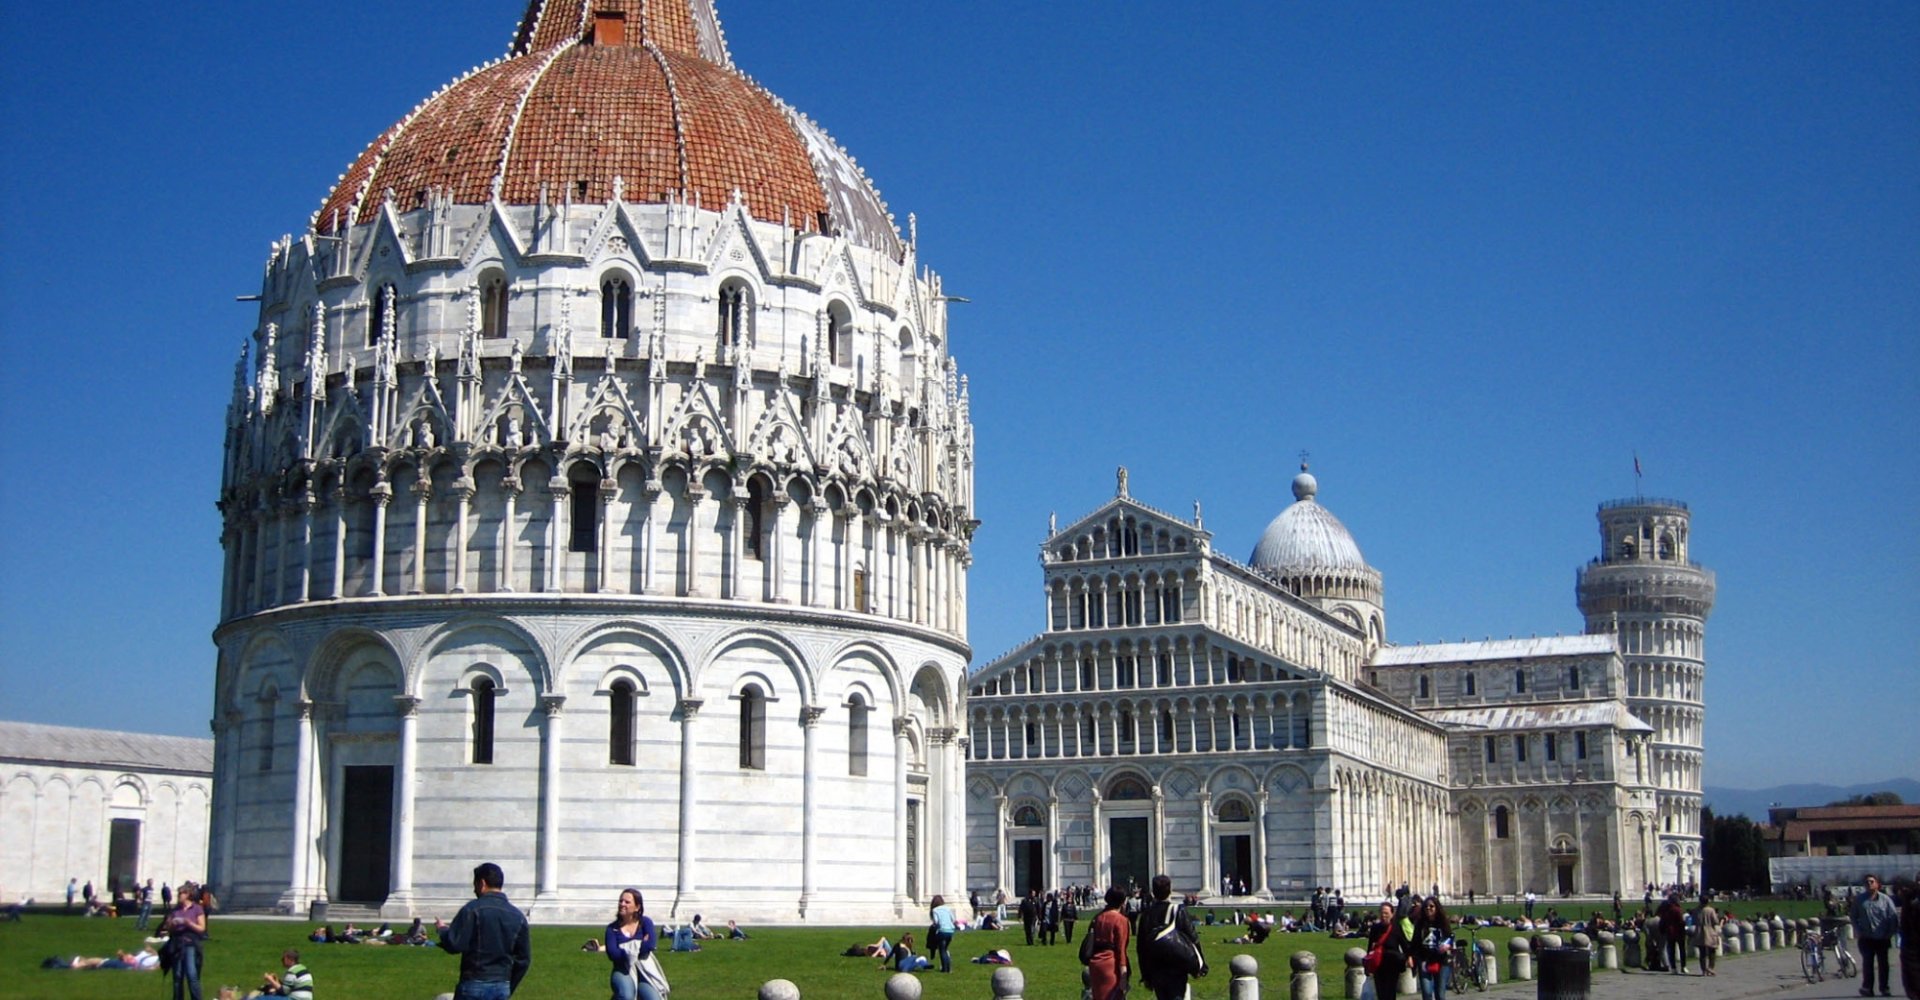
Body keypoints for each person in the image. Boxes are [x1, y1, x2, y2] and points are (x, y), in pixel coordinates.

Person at [435, 861, 532, 999]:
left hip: (474, 981)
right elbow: (524, 959)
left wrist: (443, 930)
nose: (474, 890)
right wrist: (509, 985)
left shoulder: (472, 909)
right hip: (501, 984)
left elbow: (454, 944)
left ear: (482, 883)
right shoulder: (518, 916)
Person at [1138, 874, 1206, 1000]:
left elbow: (1141, 947)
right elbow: (1192, 937)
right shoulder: (1178, 910)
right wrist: (1200, 964)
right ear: (1170, 890)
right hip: (1177, 966)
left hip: (1156, 967)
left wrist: (1145, 975)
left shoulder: (1147, 914)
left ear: (1153, 892)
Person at [604, 887, 661, 1000]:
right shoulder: (612, 929)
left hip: (644, 970)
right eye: (621, 901)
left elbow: (650, 945)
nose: (622, 904)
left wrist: (626, 949)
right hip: (623, 970)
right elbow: (613, 954)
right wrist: (639, 946)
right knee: (626, 996)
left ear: (637, 907)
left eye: (627, 902)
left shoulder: (645, 922)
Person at [1853, 874, 1899, 998]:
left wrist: (1890, 933)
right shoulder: (1859, 900)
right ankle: (1867, 988)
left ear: (1877, 884)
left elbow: (1892, 917)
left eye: (1872, 881)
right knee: (1867, 963)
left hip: (1882, 937)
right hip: (1866, 937)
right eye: (1867, 882)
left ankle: (1884, 988)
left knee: (1883, 964)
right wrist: (1857, 929)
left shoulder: (1886, 900)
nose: (1869, 884)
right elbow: (1853, 916)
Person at [1083, 887, 1133, 1000]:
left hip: (1095, 964)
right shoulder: (1121, 920)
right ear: (1122, 901)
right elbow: (1121, 949)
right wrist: (1124, 975)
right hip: (1112, 965)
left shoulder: (1098, 917)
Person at [161, 882, 209, 1000]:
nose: (179, 895)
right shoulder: (175, 909)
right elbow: (167, 927)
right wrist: (170, 924)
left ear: (188, 894)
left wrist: (188, 923)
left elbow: (202, 928)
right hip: (177, 943)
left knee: (192, 974)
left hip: (190, 943)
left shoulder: (197, 908)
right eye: (179, 893)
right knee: (177, 975)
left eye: (182, 893)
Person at [1369, 900, 1415, 1000]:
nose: (1383, 915)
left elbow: (1405, 945)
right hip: (1378, 964)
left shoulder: (1396, 928)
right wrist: (1367, 964)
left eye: (1386, 913)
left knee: (1390, 991)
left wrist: (1409, 957)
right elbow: (1370, 947)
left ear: (1392, 914)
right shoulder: (1375, 928)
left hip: (1392, 964)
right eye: (1381, 912)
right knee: (1381, 992)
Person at [1415, 896, 1454, 1000]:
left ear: (1436, 908)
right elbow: (1415, 941)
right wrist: (1412, 956)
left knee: (1440, 995)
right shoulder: (1420, 923)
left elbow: (1450, 937)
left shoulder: (1443, 922)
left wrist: (1446, 945)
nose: (1428, 908)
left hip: (1441, 961)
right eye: (1426, 907)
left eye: (1431, 906)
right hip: (1424, 960)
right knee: (1427, 993)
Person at [248, 948, 314, 1000]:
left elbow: (284, 992)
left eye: (284, 958)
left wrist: (270, 980)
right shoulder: (302, 968)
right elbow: (287, 987)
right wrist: (276, 981)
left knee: (259, 998)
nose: (282, 960)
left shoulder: (292, 972)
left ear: (290, 959)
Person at [1895, 878, 1918, 1000]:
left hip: (1912, 944)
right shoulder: (1909, 900)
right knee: (1911, 979)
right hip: (1910, 944)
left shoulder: (1912, 901)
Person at [1656, 892, 1689, 975]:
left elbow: (1662, 920)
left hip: (1669, 932)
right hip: (1678, 931)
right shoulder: (1677, 909)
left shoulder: (1665, 909)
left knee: (1671, 950)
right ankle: (1683, 966)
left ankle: (1673, 967)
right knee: (1682, 950)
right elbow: (1681, 921)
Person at [1691, 894, 1720, 978]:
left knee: (1702, 952)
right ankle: (1711, 968)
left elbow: (1693, 921)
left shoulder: (1696, 910)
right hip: (1710, 931)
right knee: (1712, 951)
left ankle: (1703, 970)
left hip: (1700, 932)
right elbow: (1715, 921)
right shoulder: (1711, 910)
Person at [928, 894, 957, 973]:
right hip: (950, 931)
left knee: (942, 950)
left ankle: (945, 969)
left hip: (942, 931)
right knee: (945, 950)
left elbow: (936, 922)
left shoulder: (935, 910)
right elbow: (953, 919)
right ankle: (948, 968)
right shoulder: (948, 908)